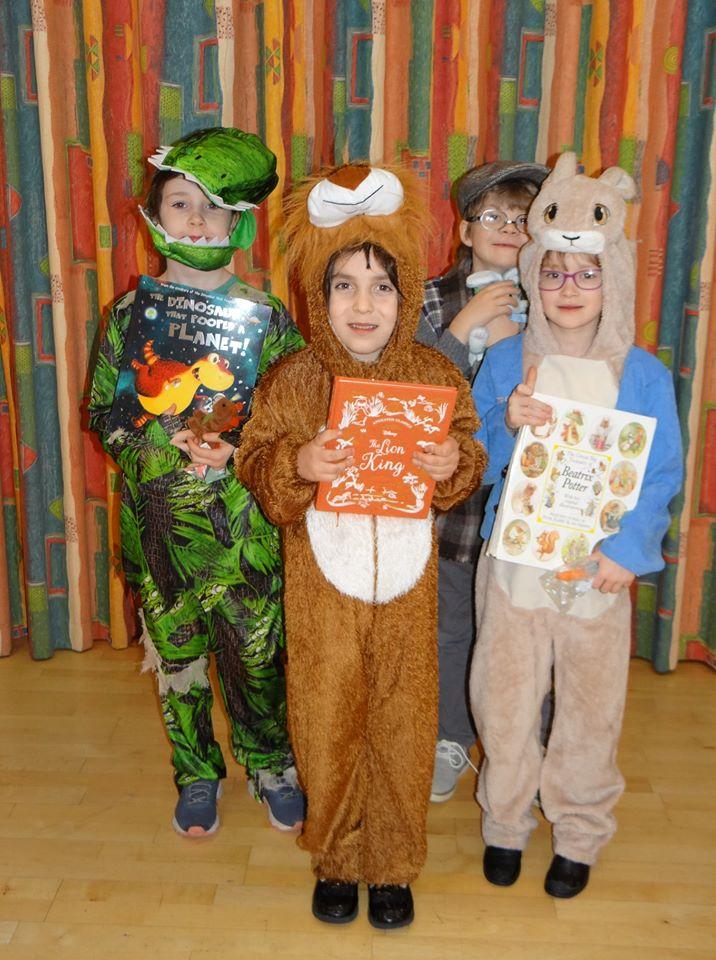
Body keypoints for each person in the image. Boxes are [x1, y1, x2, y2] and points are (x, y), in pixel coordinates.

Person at [234, 164, 485, 929]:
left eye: (381, 286)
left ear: (405, 294)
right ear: (319, 296)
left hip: (407, 593)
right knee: (327, 722)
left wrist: (452, 463)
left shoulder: (434, 373)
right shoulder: (294, 380)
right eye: (344, 286)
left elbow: (468, 458)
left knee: (403, 724)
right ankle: (339, 857)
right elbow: (256, 463)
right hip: (323, 595)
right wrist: (298, 463)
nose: (364, 305)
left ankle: (394, 862)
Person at [469, 153, 682, 898]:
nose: (568, 288)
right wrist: (506, 420)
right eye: (554, 273)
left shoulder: (643, 375)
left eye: (586, 275)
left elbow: (661, 471)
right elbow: (477, 460)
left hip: (598, 570)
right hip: (514, 567)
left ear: (612, 278)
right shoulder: (506, 360)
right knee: (504, 699)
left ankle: (580, 830)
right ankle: (504, 820)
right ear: (534, 274)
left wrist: (629, 549)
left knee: (592, 707)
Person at [88, 127, 306, 838]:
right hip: (163, 535)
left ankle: (270, 763)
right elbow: (103, 414)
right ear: (154, 215)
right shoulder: (128, 317)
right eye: (182, 202)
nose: (197, 220)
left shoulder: (268, 318)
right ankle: (195, 772)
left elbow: (297, 416)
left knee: (256, 658)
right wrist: (161, 440)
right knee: (178, 661)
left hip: (246, 535)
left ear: (239, 220)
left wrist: (237, 450)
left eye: (214, 206)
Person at [416, 160, 550, 802]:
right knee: (453, 628)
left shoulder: (554, 297)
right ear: (465, 230)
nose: (508, 228)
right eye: (492, 215)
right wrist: (462, 327)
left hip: (533, 499)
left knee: (528, 631)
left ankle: (533, 746)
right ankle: (451, 736)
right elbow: (411, 395)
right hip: (455, 504)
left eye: (523, 219)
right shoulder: (430, 299)